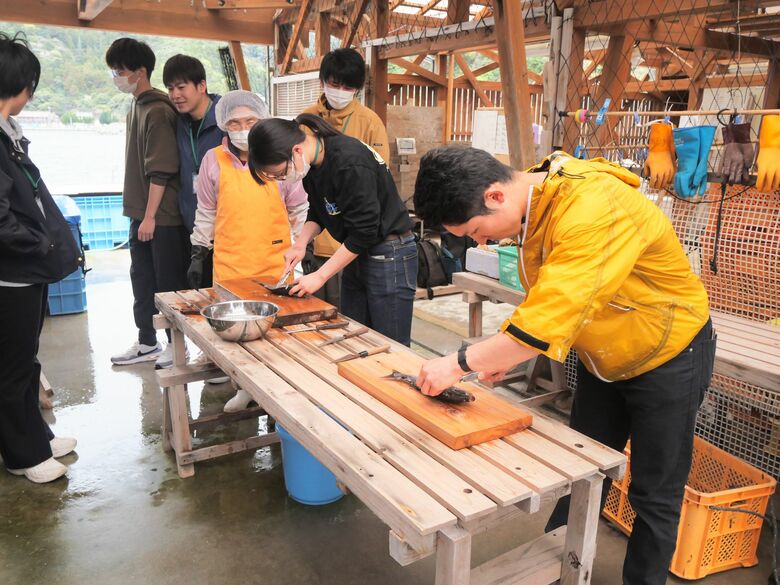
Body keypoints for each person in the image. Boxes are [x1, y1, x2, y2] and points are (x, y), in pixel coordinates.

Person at [413, 146, 717, 585]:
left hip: (668, 352)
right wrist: (515, 350)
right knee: (581, 469)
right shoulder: (539, 191)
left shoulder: (593, 205)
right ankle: (561, 571)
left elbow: (554, 312)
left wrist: (460, 362)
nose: (479, 241)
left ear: (496, 195)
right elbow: (556, 295)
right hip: (603, 354)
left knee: (654, 493)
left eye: (476, 230)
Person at [248, 114, 417, 345]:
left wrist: (320, 275)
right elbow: (320, 211)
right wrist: (300, 244)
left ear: (296, 150)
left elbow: (364, 231)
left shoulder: (348, 162)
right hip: (357, 251)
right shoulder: (314, 165)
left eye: (280, 173)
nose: (283, 179)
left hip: (389, 253)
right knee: (355, 336)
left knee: (391, 344)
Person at [190, 91, 308, 412]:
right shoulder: (213, 160)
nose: (243, 128)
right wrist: (199, 249)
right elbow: (206, 210)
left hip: (275, 259)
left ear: (262, 120)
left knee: (276, 332)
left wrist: (300, 247)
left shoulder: (277, 156)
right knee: (237, 331)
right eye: (235, 123)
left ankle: (279, 393)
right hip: (230, 260)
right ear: (223, 126)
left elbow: (299, 208)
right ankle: (243, 386)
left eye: (250, 121)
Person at [0, 32, 79, 483]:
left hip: (26, 273)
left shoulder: (9, 132)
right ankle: (22, 455)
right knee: (11, 368)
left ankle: (36, 436)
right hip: (10, 275)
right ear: (18, 85)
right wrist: (41, 244)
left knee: (27, 360)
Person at [106, 38, 190, 370]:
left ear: (141, 72)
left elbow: (162, 168)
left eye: (120, 71)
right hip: (142, 214)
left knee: (168, 284)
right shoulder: (136, 105)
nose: (116, 76)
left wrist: (151, 216)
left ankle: (175, 345)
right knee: (142, 280)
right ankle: (146, 342)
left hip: (162, 217)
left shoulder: (157, 109)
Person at [301, 48, 390, 307]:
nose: (340, 91)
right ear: (323, 81)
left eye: (348, 87)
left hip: (355, 242)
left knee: (347, 314)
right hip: (318, 235)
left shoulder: (370, 122)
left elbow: (379, 180)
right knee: (315, 308)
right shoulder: (306, 120)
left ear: (357, 89)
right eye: (334, 83)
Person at [163, 54, 223, 286]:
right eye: (170, 88)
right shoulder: (180, 121)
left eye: (181, 87)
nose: (175, 95)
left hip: (226, 229)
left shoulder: (226, 120)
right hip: (193, 225)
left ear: (202, 86)